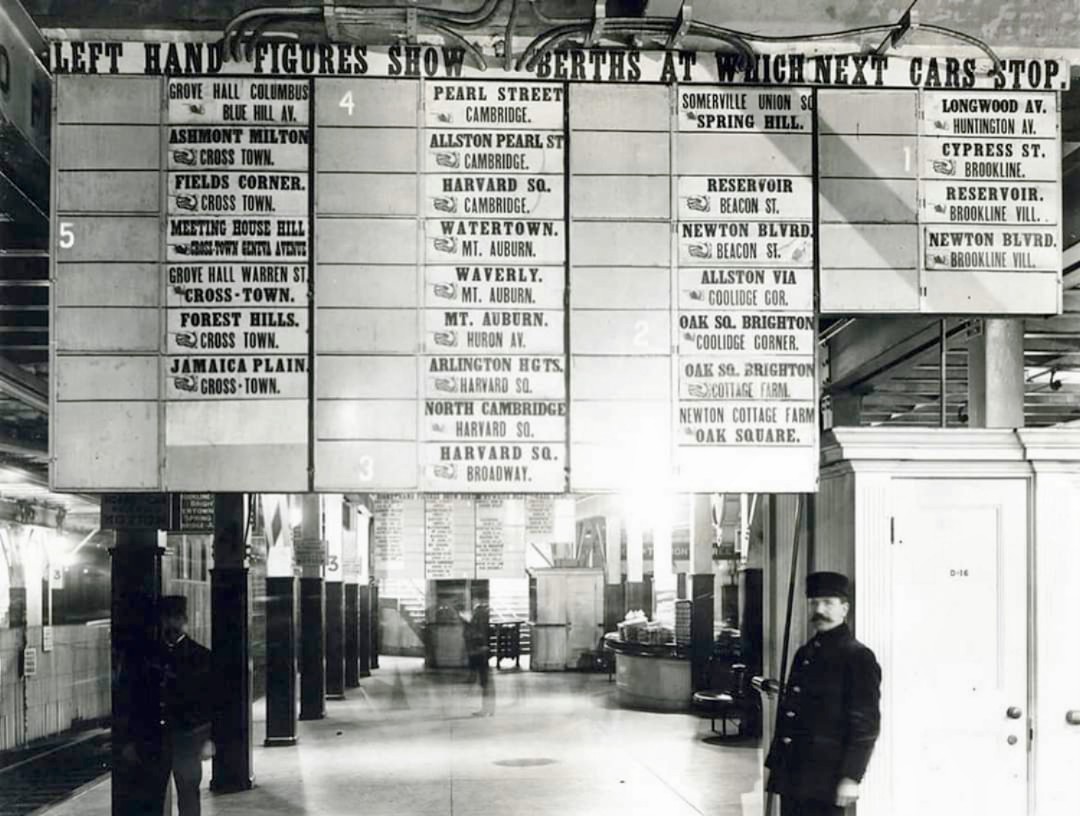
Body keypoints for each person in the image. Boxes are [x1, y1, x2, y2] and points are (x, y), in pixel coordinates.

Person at [764, 572, 881, 816]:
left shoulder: (858, 657)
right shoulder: (804, 654)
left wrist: (852, 777)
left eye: (828, 602)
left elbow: (866, 724)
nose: (820, 609)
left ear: (844, 609)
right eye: (814, 603)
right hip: (794, 773)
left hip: (826, 777)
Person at [120, 594, 214, 815]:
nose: (172, 624)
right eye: (168, 618)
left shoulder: (202, 657)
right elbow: (135, 701)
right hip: (154, 739)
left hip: (188, 739)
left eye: (177, 618)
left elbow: (211, 703)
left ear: (185, 620)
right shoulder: (146, 657)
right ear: (161, 621)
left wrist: (210, 739)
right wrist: (130, 739)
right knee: (152, 797)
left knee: (189, 796)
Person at [463, 601, 495, 716]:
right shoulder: (483, 622)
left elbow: (477, 637)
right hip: (481, 653)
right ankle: (488, 708)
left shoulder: (479, 624)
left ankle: (487, 709)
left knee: (485, 682)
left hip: (480, 653)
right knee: (485, 682)